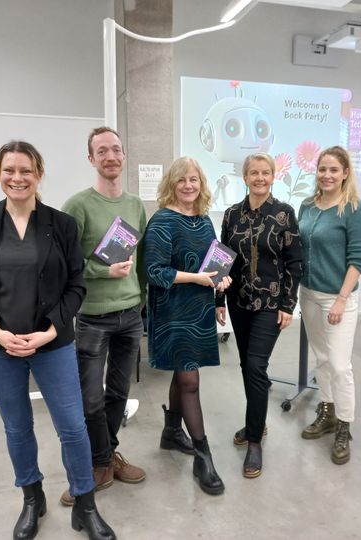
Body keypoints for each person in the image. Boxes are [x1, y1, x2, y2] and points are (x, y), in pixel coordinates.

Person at [0, 141, 115, 540]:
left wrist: (48, 332)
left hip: (51, 344)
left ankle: (85, 504)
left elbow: (76, 287)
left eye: (26, 170)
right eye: (9, 170)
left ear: (39, 173)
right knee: (17, 428)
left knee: (73, 428)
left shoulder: (61, 224)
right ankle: (32, 498)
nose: (17, 178)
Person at [60, 127, 147, 505]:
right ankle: (99, 459)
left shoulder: (135, 205)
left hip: (130, 315)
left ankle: (107, 455)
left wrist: (141, 299)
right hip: (93, 316)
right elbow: (65, 262)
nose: (110, 156)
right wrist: (101, 272)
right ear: (91, 159)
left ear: (123, 156)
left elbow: (139, 260)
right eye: (102, 151)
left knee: (119, 393)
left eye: (116, 150)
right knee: (90, 399)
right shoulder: (76, 206)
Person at [144, 156, 231, 495]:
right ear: (171, 184)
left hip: (199, 311)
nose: (188, 185)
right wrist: (198, 278)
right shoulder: (162, 221)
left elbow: (216, 265)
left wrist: (220, 292)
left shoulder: (205, 220)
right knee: (190, 380)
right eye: (181, 180)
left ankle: (170, 433)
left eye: (193, 179)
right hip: (173, 312)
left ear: (201, 183)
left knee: (183, 376)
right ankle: (202, 454)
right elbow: (154, 272)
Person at [215, 152, 302, 479]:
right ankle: (257, 421)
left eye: (266, 172)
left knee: (255, 365)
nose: (260, 178)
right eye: (254, 172)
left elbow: (295, 262)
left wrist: (287, 304)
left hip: (269, 304)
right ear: (245, 176)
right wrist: (219, 300)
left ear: (273, 176)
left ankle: (254, 441)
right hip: (238, 301)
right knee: (246, 365)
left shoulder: (284, 213)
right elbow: (224, 260)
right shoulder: (231, 215)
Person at [297, 145, 361, 465]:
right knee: (323, 359)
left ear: (345, 174)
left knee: (341, 365)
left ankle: (344, 426)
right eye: (322, 169)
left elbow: (359, 259)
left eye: (333, 170)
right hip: (308, 294)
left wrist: (341, 299)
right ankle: (326, 411)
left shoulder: (354, 209)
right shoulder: (307, 206)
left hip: (338, 298)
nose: (326, 175)